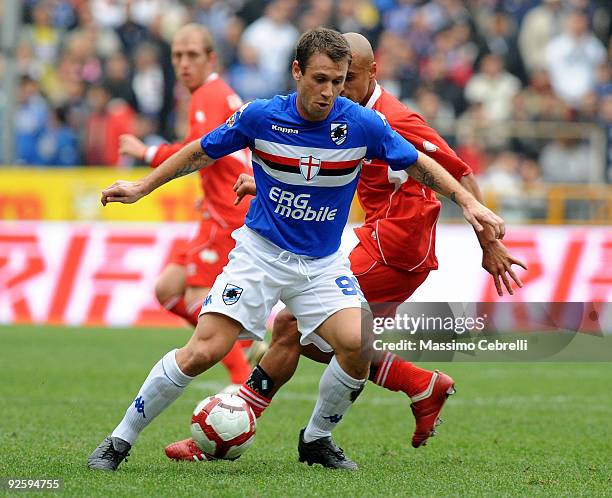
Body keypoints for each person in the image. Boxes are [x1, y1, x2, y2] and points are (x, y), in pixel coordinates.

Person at [88, 27, 505, 472]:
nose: (329, 92)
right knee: (203, 351)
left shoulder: (361, 123)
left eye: (340, 81)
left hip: (322, 265)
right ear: (297, 71)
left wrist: (465, 200)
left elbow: (419, 163)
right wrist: (142, 186)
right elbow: (200, 152)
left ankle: (317, 439)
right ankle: (118, 441)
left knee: (356, 343)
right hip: (260, 255)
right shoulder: (261, 116)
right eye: (320, 79)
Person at [118, 24, 253, 388]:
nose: (183, 63)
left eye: (192, 55)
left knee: (195, 297)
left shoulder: (209, 94)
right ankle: (243, 348)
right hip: (217, 209)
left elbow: (200, 154)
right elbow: (225, 155)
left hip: (227, 215)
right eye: (177, 55)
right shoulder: (215, 95)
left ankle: (242, 379)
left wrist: (146, 152)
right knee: (167, 290)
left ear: (211, 58)